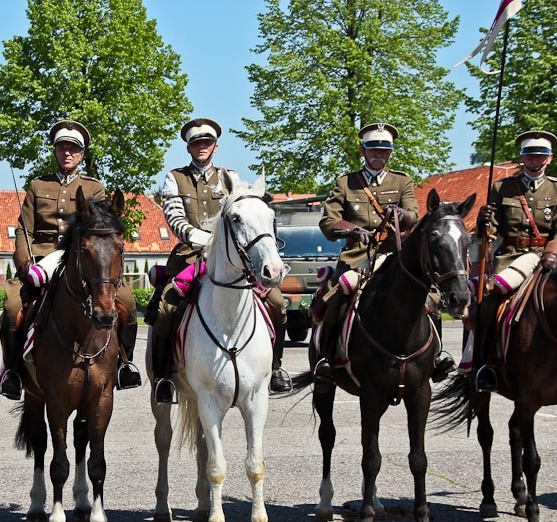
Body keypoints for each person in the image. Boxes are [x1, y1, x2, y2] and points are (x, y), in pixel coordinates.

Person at [148, 117, 290, 404]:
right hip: (189, 256)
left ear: (215, 147)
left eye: (206, 143)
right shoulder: (175, 178)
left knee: (276, 303)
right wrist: (198, 237)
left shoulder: (231, 177)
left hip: (230, 258)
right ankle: (164, 379)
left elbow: (243, 213)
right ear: (188, 148)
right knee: (164, 308)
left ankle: (275, 368)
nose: (201, 147)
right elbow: (174, 217)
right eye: (195, 143)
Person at [0, 120, 141, 400]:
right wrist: (25, 265)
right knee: (13, 305)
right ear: (54, 151)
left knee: (127, 302)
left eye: (73, 149)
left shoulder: (94, 187)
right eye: (62, 148)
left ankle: (125, 363)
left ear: (82, 153)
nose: (67, 153)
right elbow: (23, 230)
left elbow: (100, 230)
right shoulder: (38, 185)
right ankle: (14, 371)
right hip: (41, 257)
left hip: (80, 260)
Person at [315, 122, 442, 382]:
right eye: (373, 148)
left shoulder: (402, 180)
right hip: (358, 257)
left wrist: (402, 214)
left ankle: (437, 357)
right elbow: (329, 222)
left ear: (391, 153)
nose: (379, 154)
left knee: (428, 296)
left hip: (393, 254)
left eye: (384, 150)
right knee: (340, 293)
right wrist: (351, 229)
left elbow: (414, 215)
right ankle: (328, 359)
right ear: (362, 150)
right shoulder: (346, 183)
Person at [473, 130, 557, 392]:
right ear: (522, 158)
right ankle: (484, 365)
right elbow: (492, 230)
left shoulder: (556, 188)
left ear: (550, 158)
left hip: (550, 259)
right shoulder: (503, 187)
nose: (535, 160)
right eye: (530, 155)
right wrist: (483, 222)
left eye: (540, 155)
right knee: (488, 302)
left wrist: (552, 252)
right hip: (511, 258)